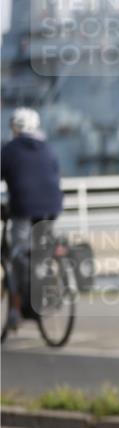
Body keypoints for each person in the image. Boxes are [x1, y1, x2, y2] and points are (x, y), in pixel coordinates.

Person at [1, 107, 63, 330]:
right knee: (41, 250)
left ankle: (18, 309)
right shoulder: (48, 148)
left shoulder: (8, 150)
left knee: (18, 254)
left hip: (24, 208)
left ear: (14, 128)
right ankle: (47, 287)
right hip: (51, 208)